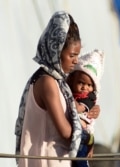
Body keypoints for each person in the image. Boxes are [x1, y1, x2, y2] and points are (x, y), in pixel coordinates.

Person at [14, 11, 100, 167]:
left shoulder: (59, 82)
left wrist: (87, 111)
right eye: (72, 55)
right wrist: (89, 138)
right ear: (57, 50)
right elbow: (66, 132)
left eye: (77, 56)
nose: (76, 61)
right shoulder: (48, 82)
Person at [67, 49, 104, 167]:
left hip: (83, 135)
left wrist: (69, 101)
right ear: (72, 82)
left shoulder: (89, 99)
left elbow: (78, 108)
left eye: (89, 85)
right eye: (81, 83)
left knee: (80, 161)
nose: (84, 88)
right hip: (76, 134)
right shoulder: (71, 93)